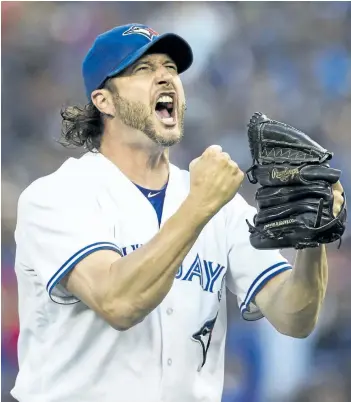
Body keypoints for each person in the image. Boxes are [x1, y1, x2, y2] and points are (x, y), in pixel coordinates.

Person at [12, 23, 344, 402]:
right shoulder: (58, 195)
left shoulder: (217, 202)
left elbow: (294, 317)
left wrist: (311, 239)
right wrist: (200, 205)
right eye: (143, 69)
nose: (165, 78)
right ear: (104, 101)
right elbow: (117, 303)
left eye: (171, 68)